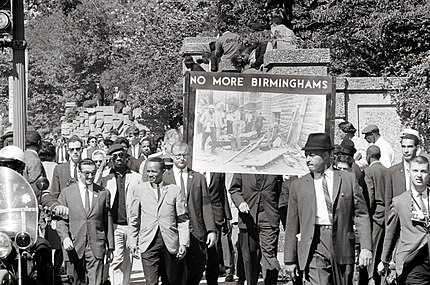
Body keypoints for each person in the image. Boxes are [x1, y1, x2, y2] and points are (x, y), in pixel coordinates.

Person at [284, 133, 372, 285]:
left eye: (312, 155)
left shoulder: (347, 180)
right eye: (306, 155)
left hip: (343, 243)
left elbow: (361, 214)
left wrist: (366, 247)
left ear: (326, 155)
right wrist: (289, 259)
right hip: (315, 243)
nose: (307, 160)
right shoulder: (298, 185)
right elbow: (291, 224)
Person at [0, 145, 68, 285]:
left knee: (44, 248)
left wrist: (56, 206)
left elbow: (43, 196)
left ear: (19, 167)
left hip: (25, 233)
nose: (7, 168)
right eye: (3, 165)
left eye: (11, 165)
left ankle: (45, 282)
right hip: (2, 237)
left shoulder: (27, 187)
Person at [129, 157, 190, 285]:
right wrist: (133, 242)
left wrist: (183, 243)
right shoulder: (139, 190)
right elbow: (134, 219)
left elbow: (182, 219)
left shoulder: (174, 190)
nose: (150, 174)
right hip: (148, 242)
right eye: (148, 171)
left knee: (171, 280)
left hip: (170, 242)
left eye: (154, 172)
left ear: (162, 171)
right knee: (151, 281)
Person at [163, 142, 217, 285]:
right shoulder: (164, 178)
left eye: (185, 155)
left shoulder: (198, 178)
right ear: (172, 156)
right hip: (174, 232)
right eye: (178, 155)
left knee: (196, 270)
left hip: (196, 231)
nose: (182, 158)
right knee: (175, 274)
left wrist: (211, 230)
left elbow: (206, 204)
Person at [56, 158, 114, 285]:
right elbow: (61, 221)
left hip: (96, 245)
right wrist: (65, 237)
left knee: (96, 282)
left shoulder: (103, 193)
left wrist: (110, 247)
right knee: (75, 282)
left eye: (93, 173)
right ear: (79, 172)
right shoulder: (67, 193)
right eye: (86, 173)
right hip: (74, 245)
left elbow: (107, 220)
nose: (90, 176)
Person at [379, 156, 430, 283]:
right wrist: (384, 260)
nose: (419, 175)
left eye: (423, 171)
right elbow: (390, 233)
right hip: (412, 259)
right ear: (409, 172)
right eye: (415, 171)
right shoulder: (399, 202)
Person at [229, 173, 282, 285]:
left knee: (269, 253)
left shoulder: (274, 168)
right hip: (248, 217)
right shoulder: (242, 168)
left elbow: (280, 191)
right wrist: (240, 203)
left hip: (268, 216)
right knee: (250, 256)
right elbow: (234, 189)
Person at [101, 144, 141, 285]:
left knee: (127, 260)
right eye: (115, 156)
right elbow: (92, 187)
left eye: (121, 155)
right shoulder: (105, 177)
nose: (118, 159)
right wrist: (102, 166)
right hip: (114, 226)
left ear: (126, 157)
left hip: (131, 225)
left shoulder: (136, 178)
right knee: (116, 259)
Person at [50, 135, 84, 278]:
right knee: (64, 248)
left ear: (82, 149)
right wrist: (54, 215)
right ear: (68, 151)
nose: (75, 152)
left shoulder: (86, 167)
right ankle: (65, 275)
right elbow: (54, 193)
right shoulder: (60, 169)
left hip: (82, 214)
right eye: (72, 149)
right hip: (65, 214)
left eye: (78, 149)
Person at [363, 145, 387, 285]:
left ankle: (371, 277)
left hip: (375, 214)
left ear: (368, 156)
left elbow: (370, 195)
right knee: (385, 246)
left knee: (372, 246)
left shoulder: (368, 171)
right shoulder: (387, 170)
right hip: (388, 214)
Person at [385, 128, 421, 220]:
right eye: (403, 146)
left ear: (417, 148)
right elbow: (388, 203)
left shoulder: (424, 171)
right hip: (400, 224)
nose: (406, 151)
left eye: (409, 147)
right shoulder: (392, 172)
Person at [205, 172, 232, 285]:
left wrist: (227, 216)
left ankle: (212, 281)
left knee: (214, 250)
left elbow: (222, 192)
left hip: (216, 215)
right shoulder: (194, 169)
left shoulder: (217, 172)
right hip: (197, 215)